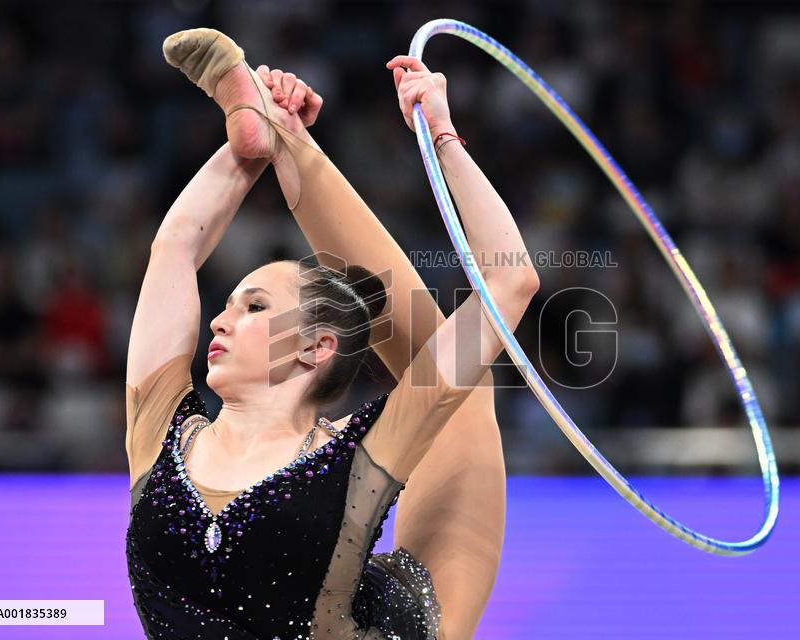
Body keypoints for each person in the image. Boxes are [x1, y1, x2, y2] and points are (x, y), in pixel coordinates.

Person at [124, 28, 538, 640]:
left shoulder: (360, 451)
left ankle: (291, 145)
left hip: (410, 622)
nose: (219, 319)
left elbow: (510, 283)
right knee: (438, 362)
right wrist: (247, 138)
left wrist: (443, 140)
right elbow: (175, 247)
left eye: (254, 306)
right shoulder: (160, 426)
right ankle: (285, 140)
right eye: (231, 304)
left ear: (315, 349)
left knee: (454, 388)